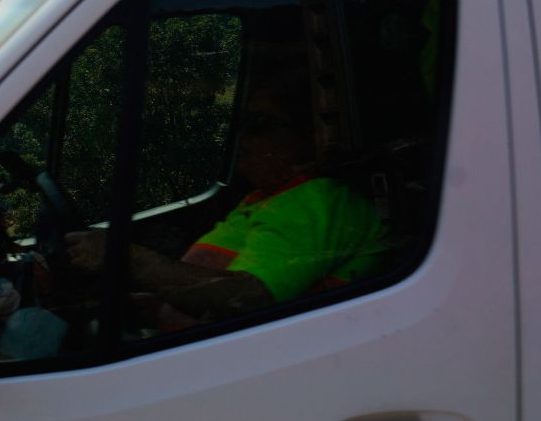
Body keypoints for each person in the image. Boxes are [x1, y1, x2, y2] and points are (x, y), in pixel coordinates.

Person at [64, 59, 387, 329]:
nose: (242, 137)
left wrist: (124, 257)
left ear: (308, 139)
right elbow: (215, 285)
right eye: (242, 123)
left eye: (258, 125)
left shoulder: (314, 201)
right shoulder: (266, 198)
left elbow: (247, 300)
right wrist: (146, 307)